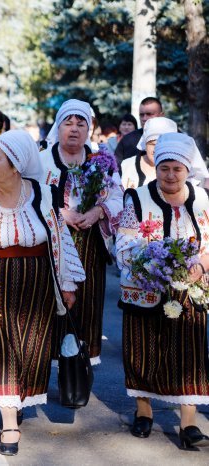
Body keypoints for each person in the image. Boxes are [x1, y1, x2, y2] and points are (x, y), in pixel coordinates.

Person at [0, 130, 85, 456]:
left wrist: (67, 283)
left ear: (16, 163)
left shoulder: (44, 194)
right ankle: (9, 419)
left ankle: (18, 395)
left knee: (34, 349)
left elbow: (59, 239)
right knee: (4, 348)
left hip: (38, 281)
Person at [116, 132, 209, 449]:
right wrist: (151, 268)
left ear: (187, 169)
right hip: (144, 287)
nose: (170, 175)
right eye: (164, 167)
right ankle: (144, 411)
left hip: (188, 288)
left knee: (189, 352)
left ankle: (189, 423)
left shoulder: (201, 198)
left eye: (177, 169)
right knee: (144, 350)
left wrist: (201, 266)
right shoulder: (137, 198)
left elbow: (208, 243)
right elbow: (125, 246)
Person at [40, 99, 123, 366]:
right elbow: (29, 196)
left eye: (81, 123)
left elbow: (118, 197)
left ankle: (80, 367)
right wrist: (61, 213)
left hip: (90, 244)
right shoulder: (42, 161)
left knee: (87, 305)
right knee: (55, 305)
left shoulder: (101, 161)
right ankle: (57, 365)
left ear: (89, 128)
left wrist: (98, 212)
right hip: (52, 246)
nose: (74, 129)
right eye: (68, 122)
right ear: (59, 125)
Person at [120, 117, 177, 190]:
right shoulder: (127, 165)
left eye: (162, 145)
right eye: (152, 144)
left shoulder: (179, 169)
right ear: (145, 144)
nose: (156, 150)